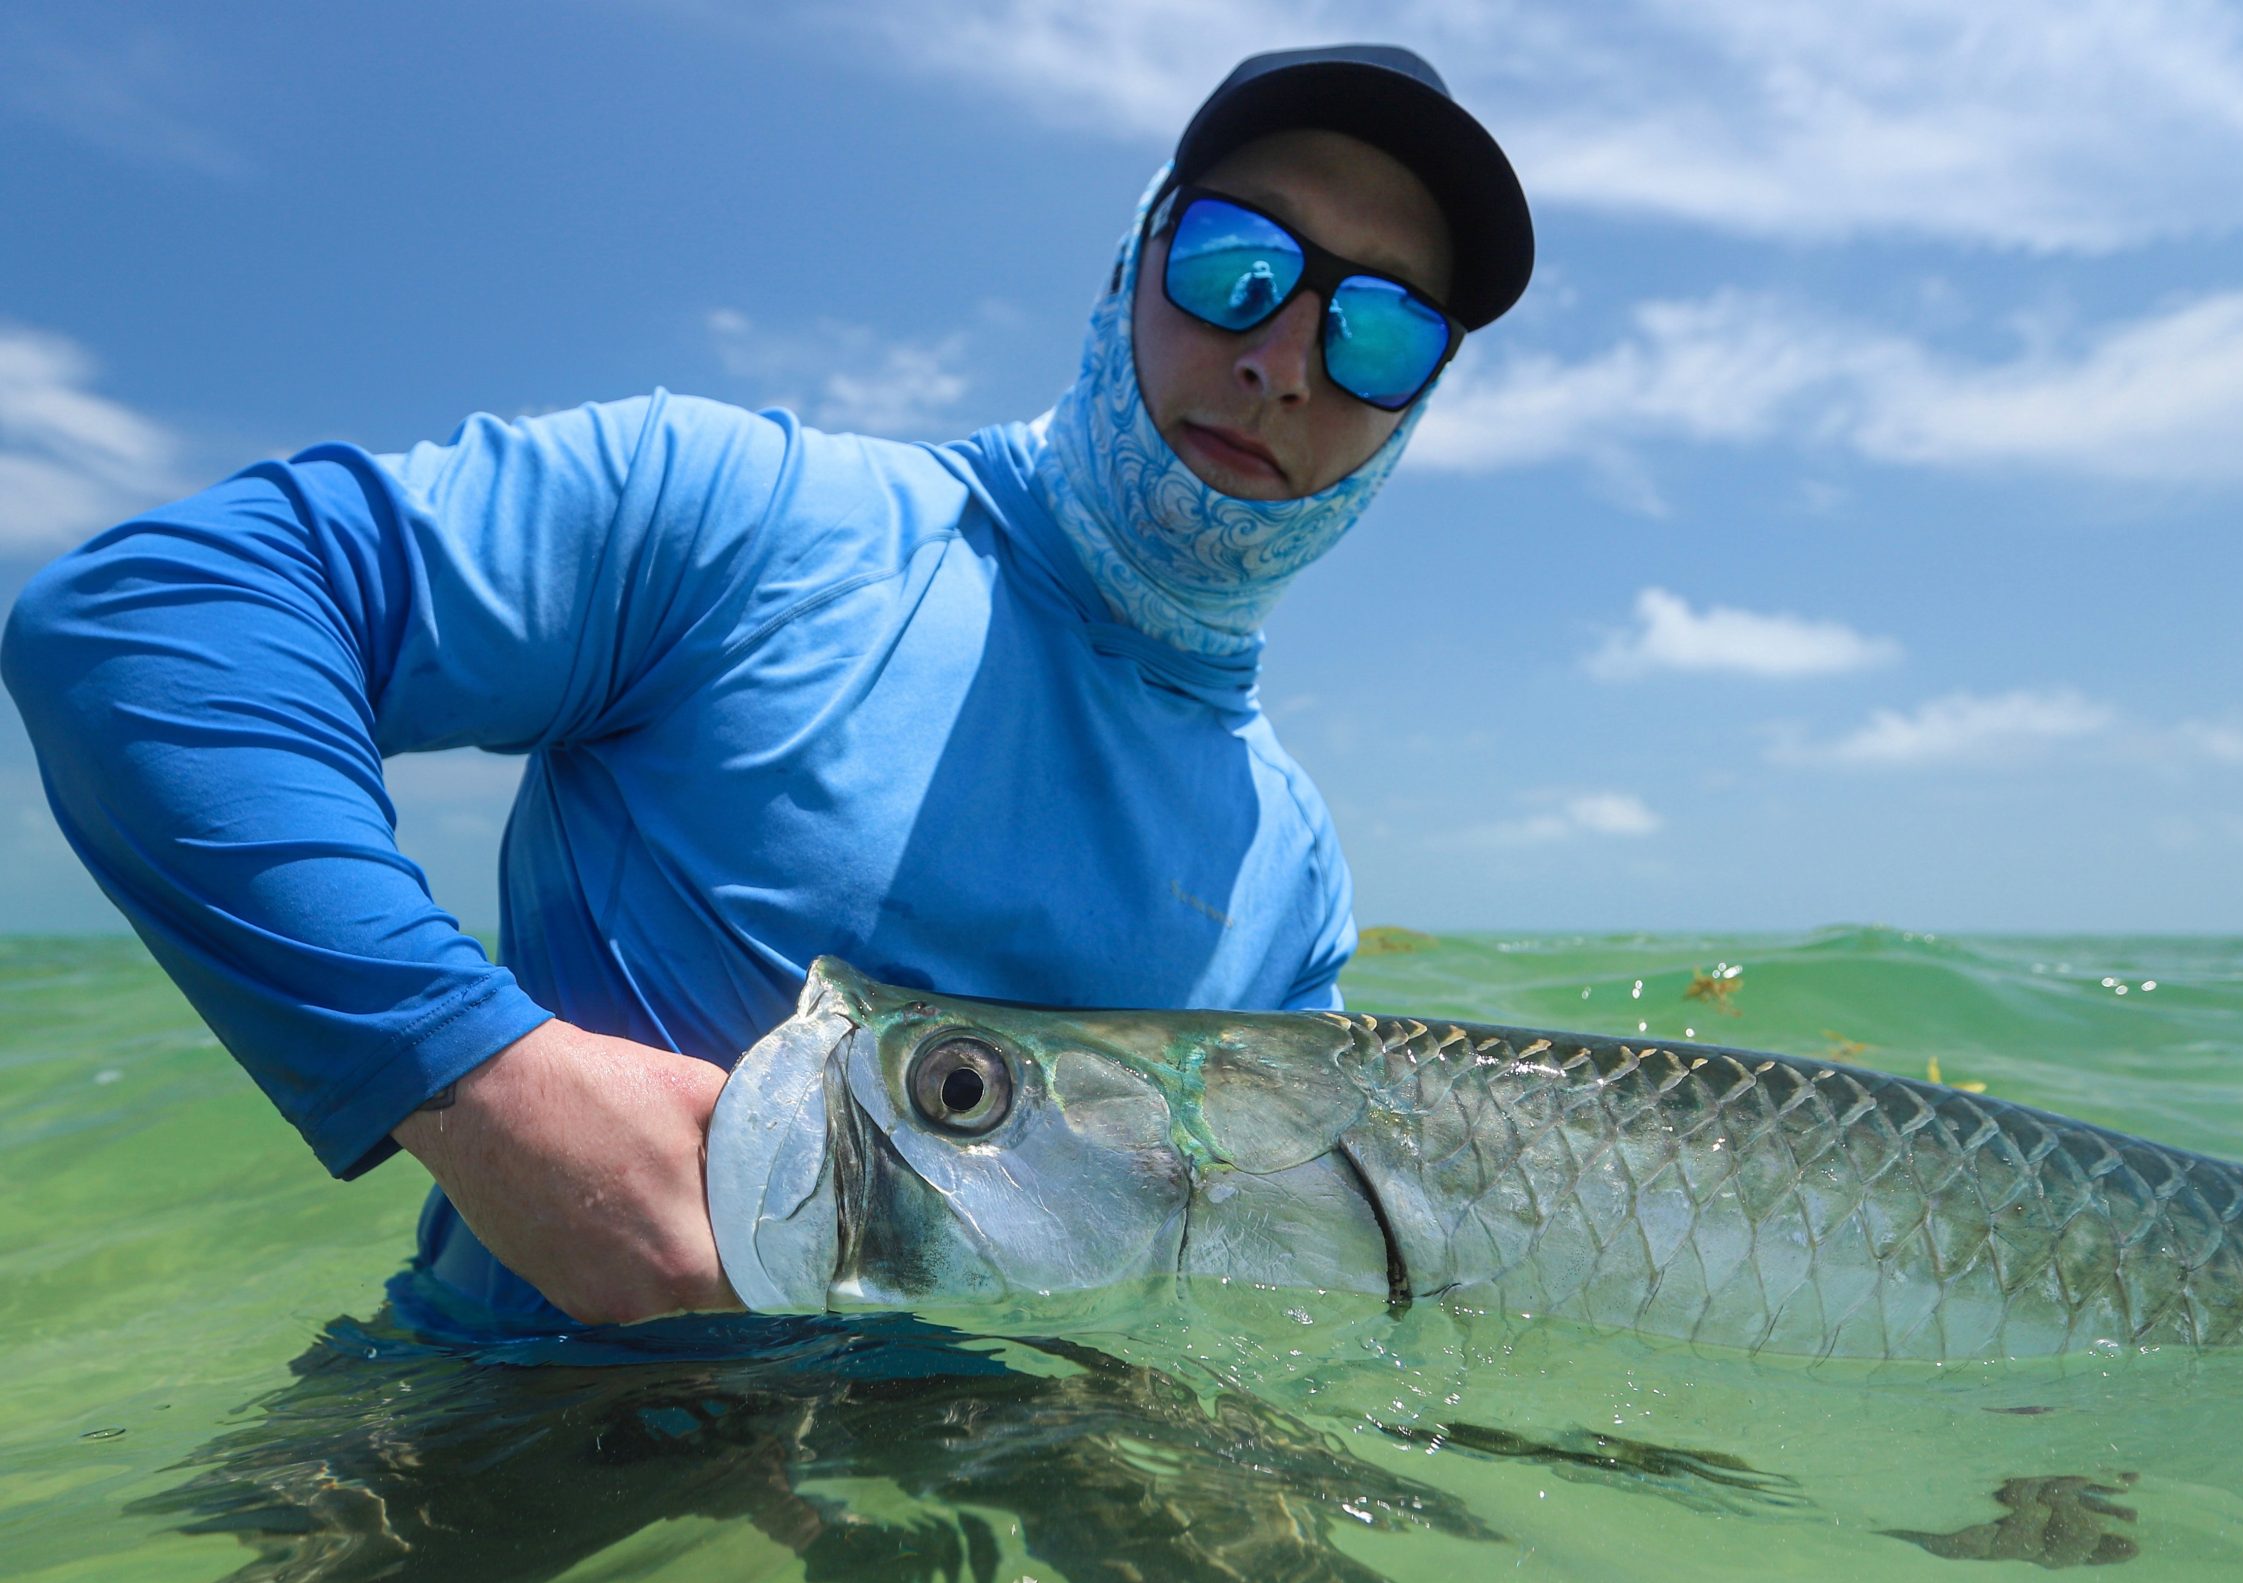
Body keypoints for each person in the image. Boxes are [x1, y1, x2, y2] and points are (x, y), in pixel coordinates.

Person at [1, 45, 1534, 1342]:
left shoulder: (1292, 867)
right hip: (499, 1460)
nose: (1283, 358)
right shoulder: (739, 515)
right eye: (1234, 263)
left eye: (1380, 329)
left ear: (1412, 416)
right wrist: (464, 1065)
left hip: (1009, 1526)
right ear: (1133, 262)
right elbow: (154, 622)